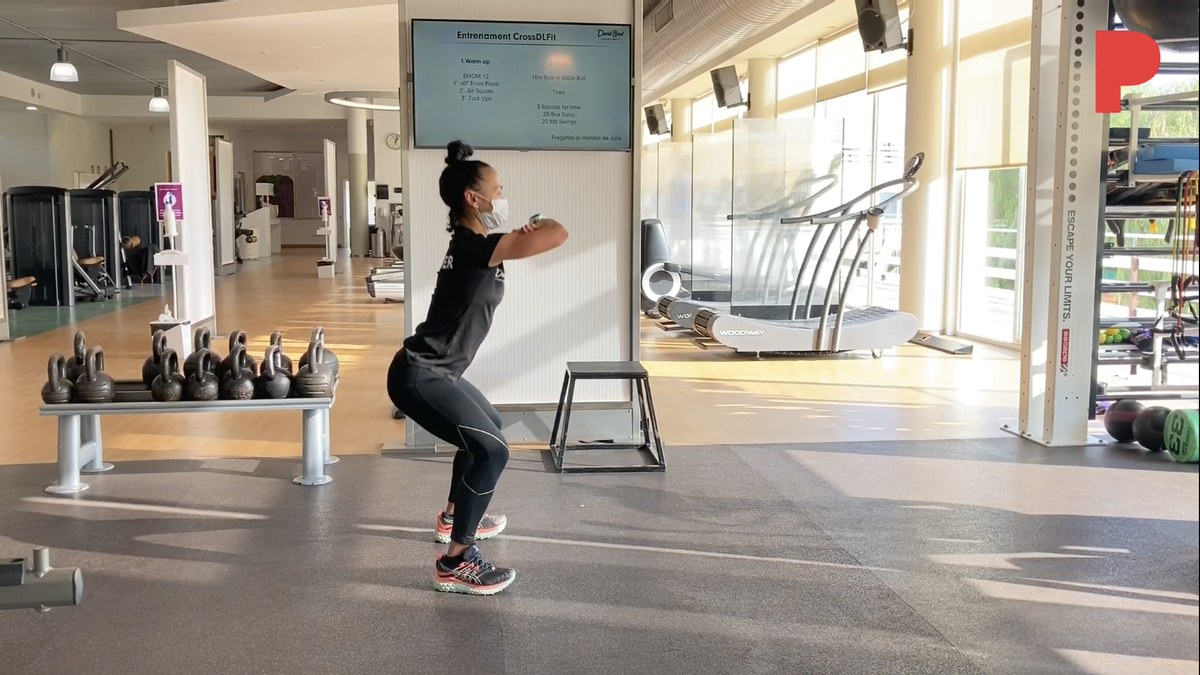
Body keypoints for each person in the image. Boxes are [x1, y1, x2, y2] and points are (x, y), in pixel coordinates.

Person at [387, 140, 569, 596]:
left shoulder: (476, 245)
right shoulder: (476, 247)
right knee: (493, 450)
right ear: (474, 198)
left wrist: (519, 235)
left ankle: (455, 516)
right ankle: (456, 561)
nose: (502, 197)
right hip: (419, 374)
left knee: (486, 429)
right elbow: (558, 232)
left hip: (438, 372)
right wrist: (540, 221)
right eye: (498, 189)